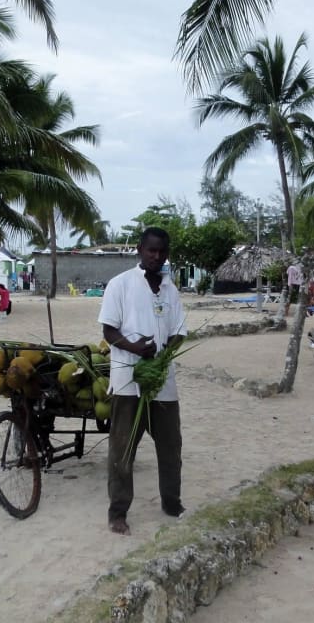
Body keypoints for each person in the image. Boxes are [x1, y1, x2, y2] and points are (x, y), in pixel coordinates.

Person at [98, 226, 187, 536]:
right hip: (127, 381)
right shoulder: (119, 285)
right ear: (139, 249)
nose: (156, 256)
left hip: (163, 383)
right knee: (122, 449)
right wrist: (135, 348)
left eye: (162, 251)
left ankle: (172, 502)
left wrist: (163, 356)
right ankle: (118, 512)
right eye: (151, 250)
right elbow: (108, 331)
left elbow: (179, 332)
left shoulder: (170, 290)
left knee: (171, 446)